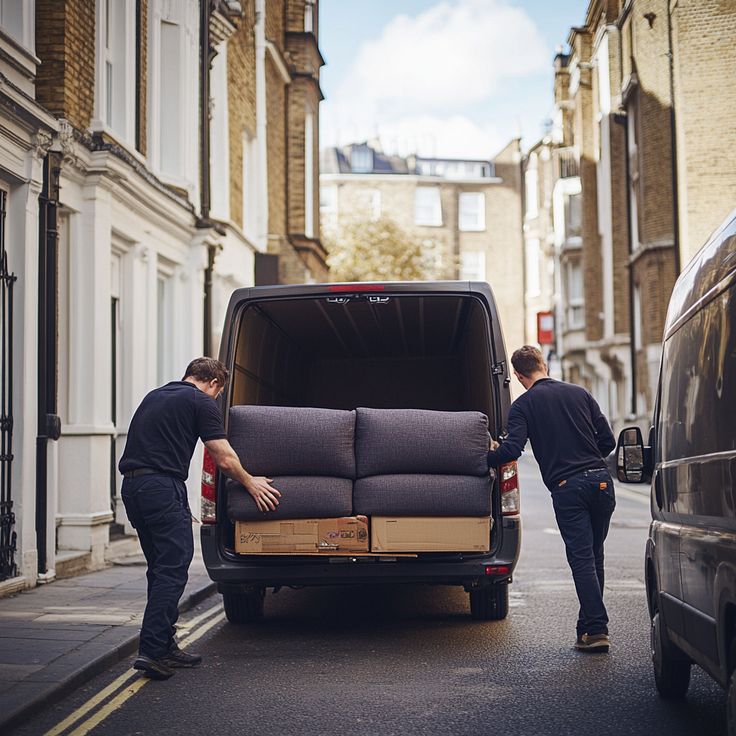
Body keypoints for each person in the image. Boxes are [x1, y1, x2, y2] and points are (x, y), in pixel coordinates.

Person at [119, 357, 281, 680]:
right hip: (162, 485)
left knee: (160, 568)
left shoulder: (156, 395)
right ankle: (151, 650)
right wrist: (251, 482)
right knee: (173, 567)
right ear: (214, 385)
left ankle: (164, 645)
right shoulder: (201, 401)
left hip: (133, 487)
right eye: (218, 394)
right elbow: (222, 456)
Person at [486, 345, 616, 653]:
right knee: (594, 556)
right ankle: (587, 629)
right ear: (543, 364)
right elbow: (608, 441)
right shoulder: (580, 393)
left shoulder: (523, 406)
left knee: (582, 559)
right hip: (601, 482)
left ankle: (597, 628)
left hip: (568, 487)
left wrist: (484, 456)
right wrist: (587, 460)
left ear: (518, 376)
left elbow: (511, 450)